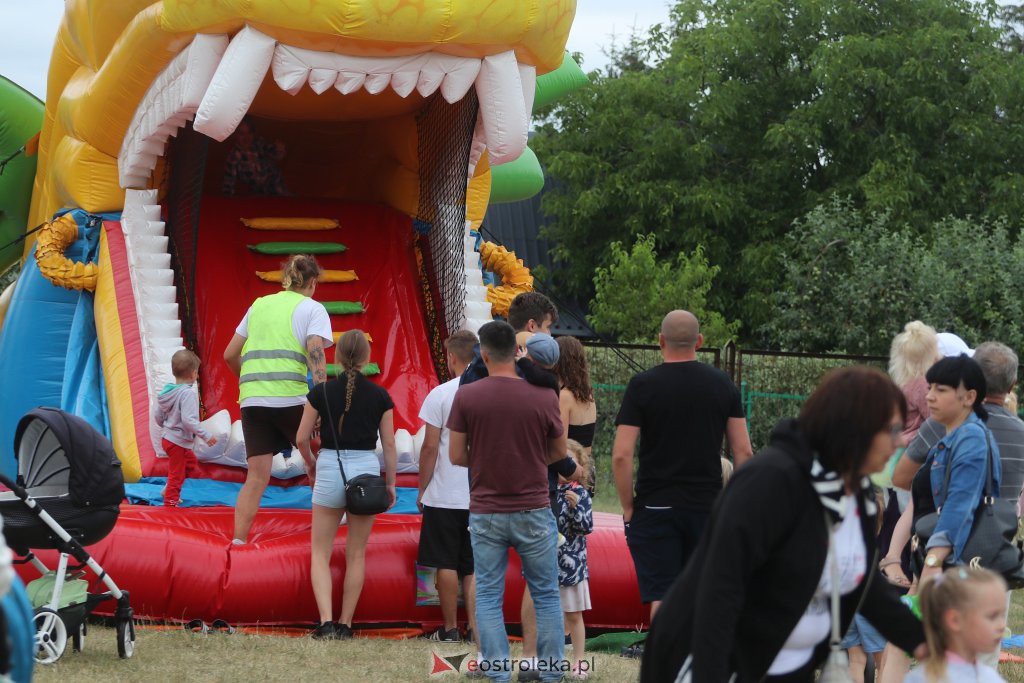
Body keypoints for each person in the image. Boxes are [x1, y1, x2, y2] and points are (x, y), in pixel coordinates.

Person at [640, 366, 926, 683]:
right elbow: (719, 592)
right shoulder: (771, 481)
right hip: (715, 659)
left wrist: (924, 642)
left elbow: (860, 583)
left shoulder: (859, 498)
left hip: (787, 665)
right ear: (855, 427)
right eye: (892, 429)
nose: (899, 442)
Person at [612, 310, 753, 624]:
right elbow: (743, 451)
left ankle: (665, 653)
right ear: (699, 342)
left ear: (660, 341)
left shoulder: (642, 385)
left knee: (663, 594)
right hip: (707, 507)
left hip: (655, 505)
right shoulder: (722, 384)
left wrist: (628, 506)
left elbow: (622, 454)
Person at [448, 320, 567, 682]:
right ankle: (550, 672)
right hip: (534, 508)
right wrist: (527, 457)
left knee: (488, 593)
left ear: (483, 355)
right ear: (517, 352)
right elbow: (558, 453)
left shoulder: (468, 395)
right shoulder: (544, 396)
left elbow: (456, 455)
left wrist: (488, 458)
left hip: (487, 509)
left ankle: (497, 670)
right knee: (546, 593)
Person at [223, 255, 332, 544]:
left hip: (252, 400)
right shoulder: (312, 308)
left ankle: (238, 541)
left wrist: (253, 381)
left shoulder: (258, 305)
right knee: (321, 458)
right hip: (290, 397)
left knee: (256, 478)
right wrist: (322, 400)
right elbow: (316, 353)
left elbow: (230, 354)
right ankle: (330, 528)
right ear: (312, 282)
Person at [296, 330, 397, 639]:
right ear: (367, 358)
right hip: (366, 470)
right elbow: (389, 445)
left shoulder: (321, 392)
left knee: (320, 552)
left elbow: (301, 438)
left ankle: (325, 622)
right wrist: (391, 484)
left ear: (336, 357)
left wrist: (311, 465)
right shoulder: (381, 396)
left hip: (330, 466)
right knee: (356, 553)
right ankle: (346, 624)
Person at [416, 329, 479, 643]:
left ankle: (451, 628)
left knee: (445, 561)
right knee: (473, 566)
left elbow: (429, 448)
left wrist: (421, 489)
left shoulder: (440, 394)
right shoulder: (488, 394)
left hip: (444, 495)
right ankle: (477, 629)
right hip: (480, 495)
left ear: (451, 357)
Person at [878, 321, 941, 587]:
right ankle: (907, 574)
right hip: (916, 463)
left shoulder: (902, 384)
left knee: (902, 515)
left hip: (898, 462)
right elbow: (936, 425)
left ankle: (894, 567)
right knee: (915, 518)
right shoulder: (924, 387)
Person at [904, 567, 1007, 683]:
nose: (1002, 625)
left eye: (1003, 615)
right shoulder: (926, 679)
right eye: (992, 616)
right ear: (955, 620)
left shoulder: (989, 676)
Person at [154, 349, 217, 508]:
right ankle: (170, 503)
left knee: (190, 465)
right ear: (193, 374)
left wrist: (166, 427)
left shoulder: (168, 392)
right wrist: (206, 435)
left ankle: (169, 489)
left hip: (168, 439)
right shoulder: (187, 394)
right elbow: (189, 421)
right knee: (177, 474)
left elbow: (157, 414)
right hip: (177, 442)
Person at [557, 440, 594, 681]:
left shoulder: (580, 494)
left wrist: (575, 508)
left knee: (573, 615)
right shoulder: (548, 491)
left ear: (579, 467)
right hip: (547, 564)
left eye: (570, 461)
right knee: (549, 615)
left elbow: (586, 527)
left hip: (571, 567)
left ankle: (579, 662)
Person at [553, 337, 597, 491]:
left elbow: (560, 445)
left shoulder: (564, 397)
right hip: (587, 470)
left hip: (570, 473)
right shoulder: (588, 396)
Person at [222, 119, 289, 196]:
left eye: (249, 133)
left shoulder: (259, 144)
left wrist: (279, 150)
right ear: (235, 135)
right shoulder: (233, 158)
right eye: (242, 134)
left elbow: (275, 153)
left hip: (279, 189)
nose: (247, 137)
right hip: (260, 195)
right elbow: (228, 185)